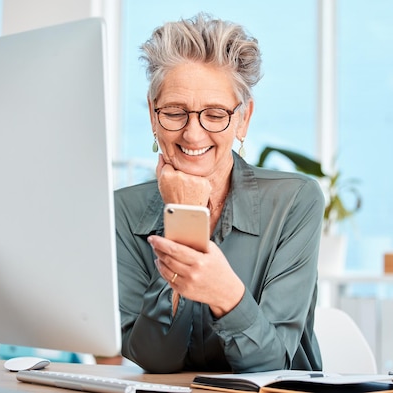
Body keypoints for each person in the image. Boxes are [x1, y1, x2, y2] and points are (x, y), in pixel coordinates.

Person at [114, 13, 324, 373]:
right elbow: (152, 359)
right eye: (175, 112)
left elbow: (272, 362)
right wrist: (182, 216)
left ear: (243, 118)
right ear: (153, 114)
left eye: (214, 114)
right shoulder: (122, 211)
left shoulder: (295, 201)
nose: (193, 135)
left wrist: (224, 292)